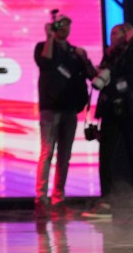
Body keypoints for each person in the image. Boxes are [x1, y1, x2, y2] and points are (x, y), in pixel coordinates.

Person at [82, 23, 133, 221]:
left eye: (117, 32)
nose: (113, 36)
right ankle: (106, 203)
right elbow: (100, 78)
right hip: (111, 111)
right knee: (106, 158)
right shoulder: (109, 55)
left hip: (132, 111)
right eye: (111, 33)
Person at [33, 14, 95, 219]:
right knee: (47, 151)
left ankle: (59, 198)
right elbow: (45, 62)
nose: (65, 28)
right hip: (50, 108)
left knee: (65, 156)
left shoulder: (74, 52)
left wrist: (83, 57)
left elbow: (91, 75)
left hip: (69, 109)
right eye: (61, 25)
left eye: (68, 24)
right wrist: (49, 37)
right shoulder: (43, 46)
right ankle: (41, 199)